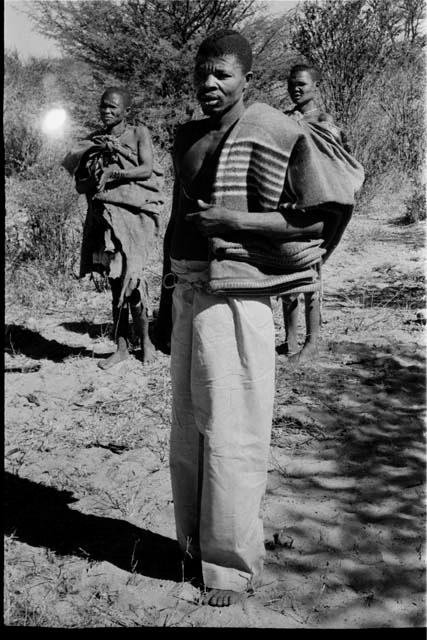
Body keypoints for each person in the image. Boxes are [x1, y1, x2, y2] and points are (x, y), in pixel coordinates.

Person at [151, 30, 362, 607]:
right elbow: (177, 221)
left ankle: (231, 566)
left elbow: (318, 220)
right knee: (189, 432)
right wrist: (164, 300)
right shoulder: (186, 138)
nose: (209, 84)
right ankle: (192, 545)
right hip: (189, 289)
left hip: (240, 297)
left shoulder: (275, 131)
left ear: (247, 77)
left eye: (222, 73)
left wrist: (237, 224)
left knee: (235, 433)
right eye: (202, 72)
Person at [63, 87, 164, 369]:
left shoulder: (138, 133)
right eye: (103, 106)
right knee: (113, 281)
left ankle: (146, 342)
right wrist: (93, 173)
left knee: (133, 281)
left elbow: (146, 169)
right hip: (104, 218)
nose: (107, 111)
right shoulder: (94, 141)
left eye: (113, 107)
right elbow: (81, 182)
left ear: (125, 110)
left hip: (133, 217)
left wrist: (115, 171)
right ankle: (120, 346)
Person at [281, 64, 352, 363]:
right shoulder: (283, 120)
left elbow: (339, 167)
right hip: (287, 205)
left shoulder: (325, 123)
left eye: (302, 84)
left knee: (311, 272)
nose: (296, 89)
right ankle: (289, 339)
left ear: (315, 87)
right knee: (286, 269)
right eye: (292, 84)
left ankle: (312, 343)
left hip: (318, 208)